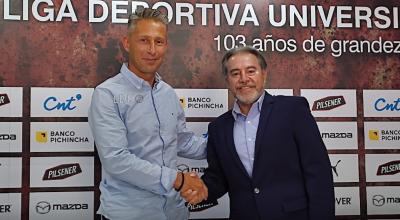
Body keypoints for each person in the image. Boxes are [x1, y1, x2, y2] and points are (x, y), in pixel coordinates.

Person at [182, 46, 335, 220]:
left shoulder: (293, 110)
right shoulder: (218, 128)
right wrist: (199, 188)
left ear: (264, 74)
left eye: (251, 71)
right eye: (235, 73)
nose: (244, 79)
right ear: (227, 80)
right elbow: (219, 179)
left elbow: (318, 172)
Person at [88, 8, 207, 220]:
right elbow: (116, 160)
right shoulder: (107, 94)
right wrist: (178, 180)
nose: (152, 50)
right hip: (128, 214)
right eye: (144, 40)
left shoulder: (169, 93)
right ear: (127, 43)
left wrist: (232, 140)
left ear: (166, 46)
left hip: (175, 212)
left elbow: (182, 142)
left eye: (159, 42)